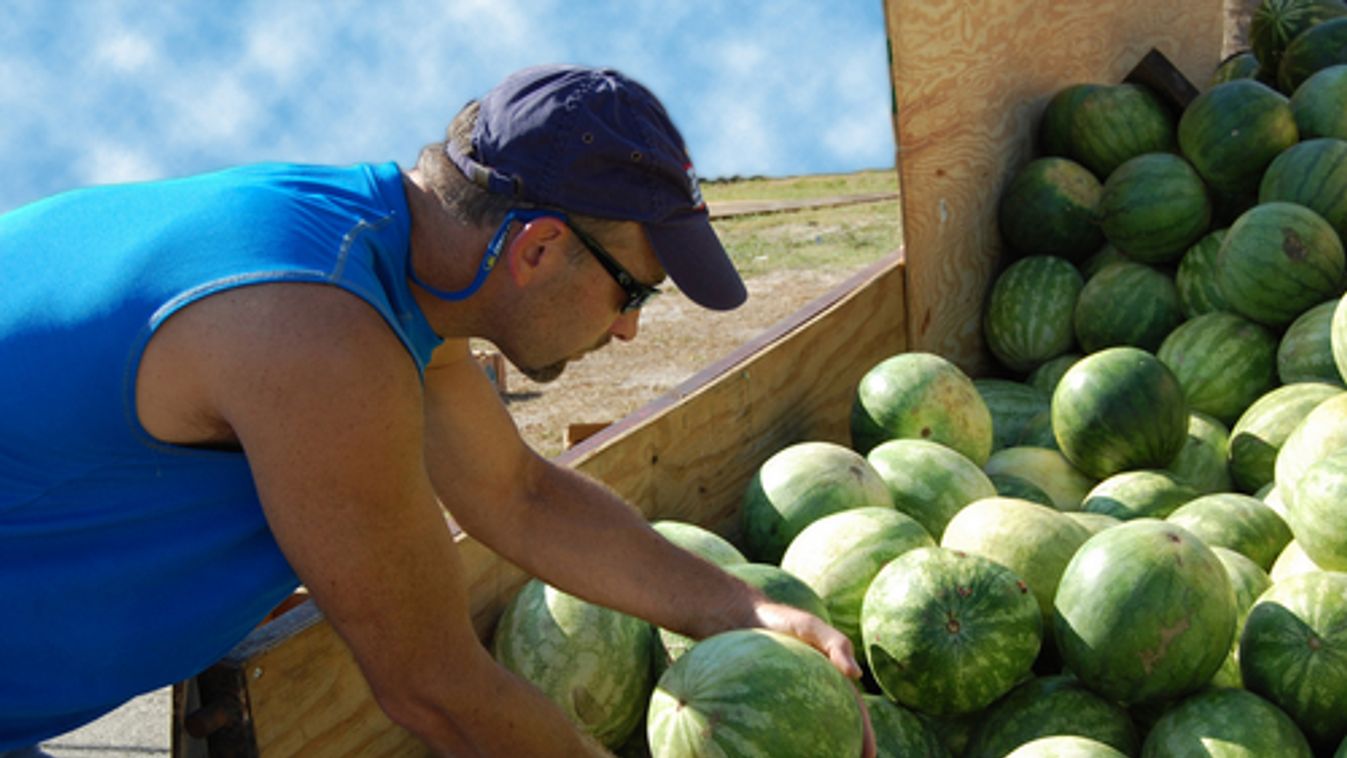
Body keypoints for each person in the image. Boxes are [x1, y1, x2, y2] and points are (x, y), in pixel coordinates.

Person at [0, 64, 874, 756]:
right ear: (537, 248)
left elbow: (514, 495)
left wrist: (739, 609)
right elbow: (433, 689)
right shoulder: (317, 332)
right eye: (632, 291)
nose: (632, 331)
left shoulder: (381, 264)